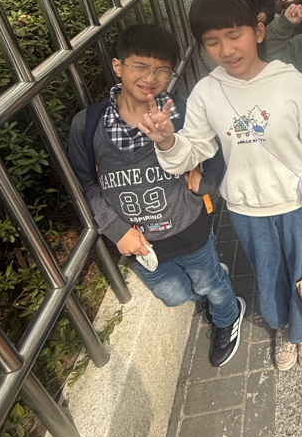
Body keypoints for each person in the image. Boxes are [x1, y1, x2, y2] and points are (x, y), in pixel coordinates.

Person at [138, 0, 302, 372]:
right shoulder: (206, 93)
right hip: (247, 209)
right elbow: (190, 153)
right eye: (212, 42)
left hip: (298, 205)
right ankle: (283, 327)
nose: (226, 49)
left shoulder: (291, 82)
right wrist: (167, 141)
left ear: (258, 31)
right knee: (268, 274)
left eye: (234, 35)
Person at [68, 24, 242, 368]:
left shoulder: (182, 111)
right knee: (173, 294)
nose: (151, 77)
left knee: (210, 284)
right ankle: (214, 283)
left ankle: (227, 316)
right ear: (118, 66)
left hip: (189, 228)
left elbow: (216, 151)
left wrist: (205, 183)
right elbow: (86, 183)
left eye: (162, 70)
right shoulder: (87, 125)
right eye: (140, 66)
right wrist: (117, 231)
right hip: (140, 243)